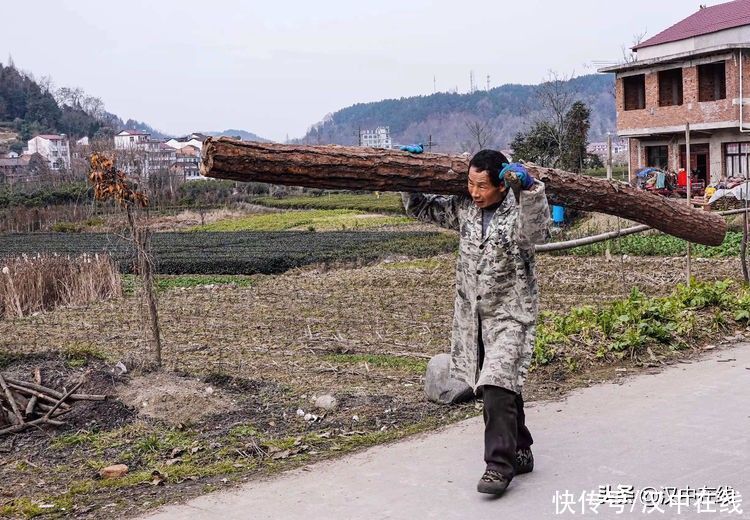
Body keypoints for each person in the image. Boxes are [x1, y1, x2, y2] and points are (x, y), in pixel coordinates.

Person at [401, 149, 550, 495]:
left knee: (496, 384)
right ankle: (521, 448)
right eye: (470, 183)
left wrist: (530, 189)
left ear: (500, 186)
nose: (475, 192)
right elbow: (420, 208)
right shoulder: (465, 210)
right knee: (502, 383)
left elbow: (537, 234)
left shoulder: (516, 214)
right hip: (474, 317)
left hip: (510, 315)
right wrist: (408, 175)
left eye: (482, 186)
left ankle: (499, 466)